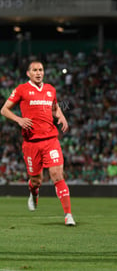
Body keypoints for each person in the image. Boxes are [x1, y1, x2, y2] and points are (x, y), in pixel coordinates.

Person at [1, 60, 76, 226]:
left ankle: (68, 214)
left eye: (40, 70)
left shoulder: (50, 90)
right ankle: (34, 194)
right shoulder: (21, 89)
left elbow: (55, 107)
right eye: (34, 70)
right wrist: (19, 119)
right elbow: (4, 109)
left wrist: (61, 116)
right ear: (28, 73)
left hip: (50, 140)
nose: (38, 73)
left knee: (57, 175)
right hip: (31, 143)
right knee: (36, 180)